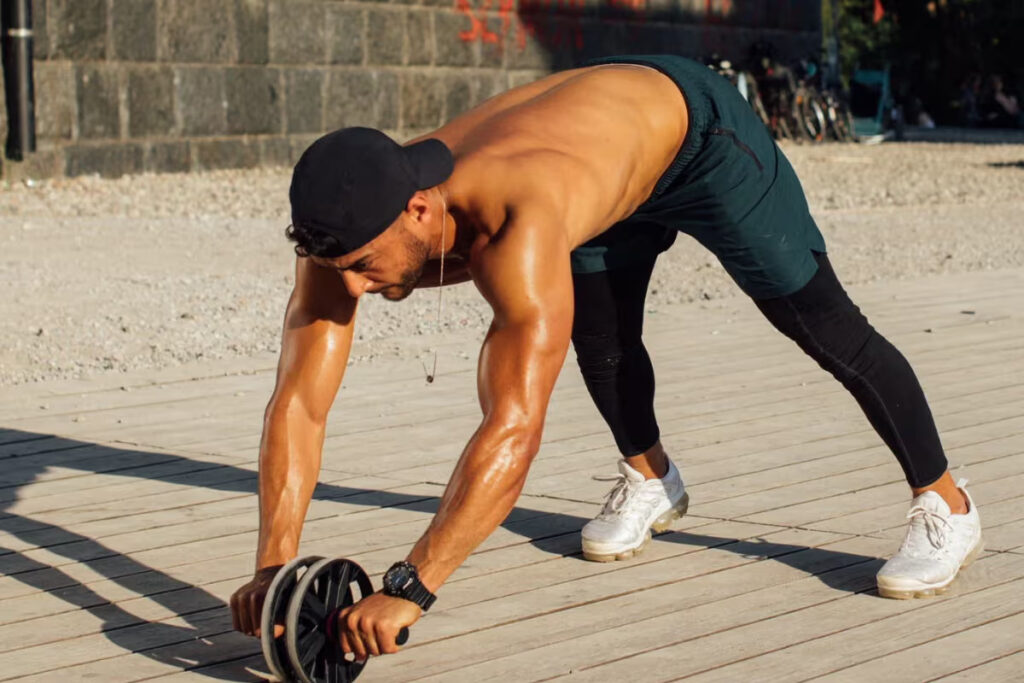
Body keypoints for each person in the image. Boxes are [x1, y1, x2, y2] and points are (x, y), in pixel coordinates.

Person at [229, 55, 983, 660]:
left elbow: (514, 426)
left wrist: (411, 585)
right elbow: (298, 401)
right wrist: (274, 569)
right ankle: (651, 477)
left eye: (365, 265)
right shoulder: (342, 232)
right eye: (342, 269)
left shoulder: (517, 224)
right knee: (604, 336)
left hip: (698, 139)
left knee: (822, 324)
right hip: (602, 156)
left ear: (419, 209)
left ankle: (945, 504)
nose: (354, 285)